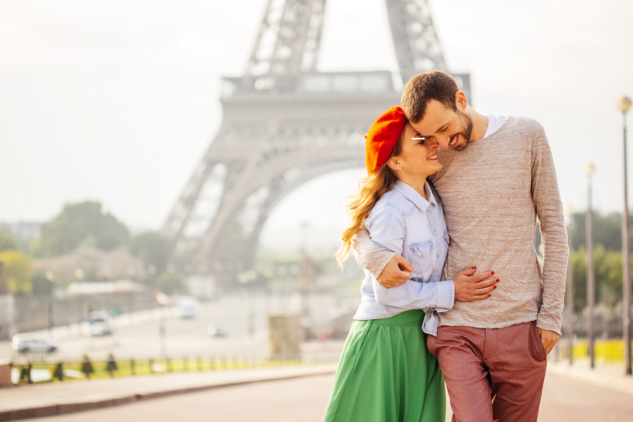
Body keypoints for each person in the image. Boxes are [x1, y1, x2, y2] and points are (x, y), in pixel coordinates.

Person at [354, 71, 569, 422]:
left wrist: (551, 316)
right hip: (456, 328)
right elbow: (368, 209)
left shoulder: (528, 135)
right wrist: (377, 256)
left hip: (522, 323)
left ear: (461, 101)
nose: (442, 141)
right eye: (429, 135)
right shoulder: (432, 156)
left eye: (444, 127)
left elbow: (555, 230)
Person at [322, 106, 498, 422]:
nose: (434, 144)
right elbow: (388, 294)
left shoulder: (435, 200)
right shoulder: (391, 212)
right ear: (396, 160)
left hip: (422, 337)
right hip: (385, 338)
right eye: (421, 141)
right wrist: (452, 291)